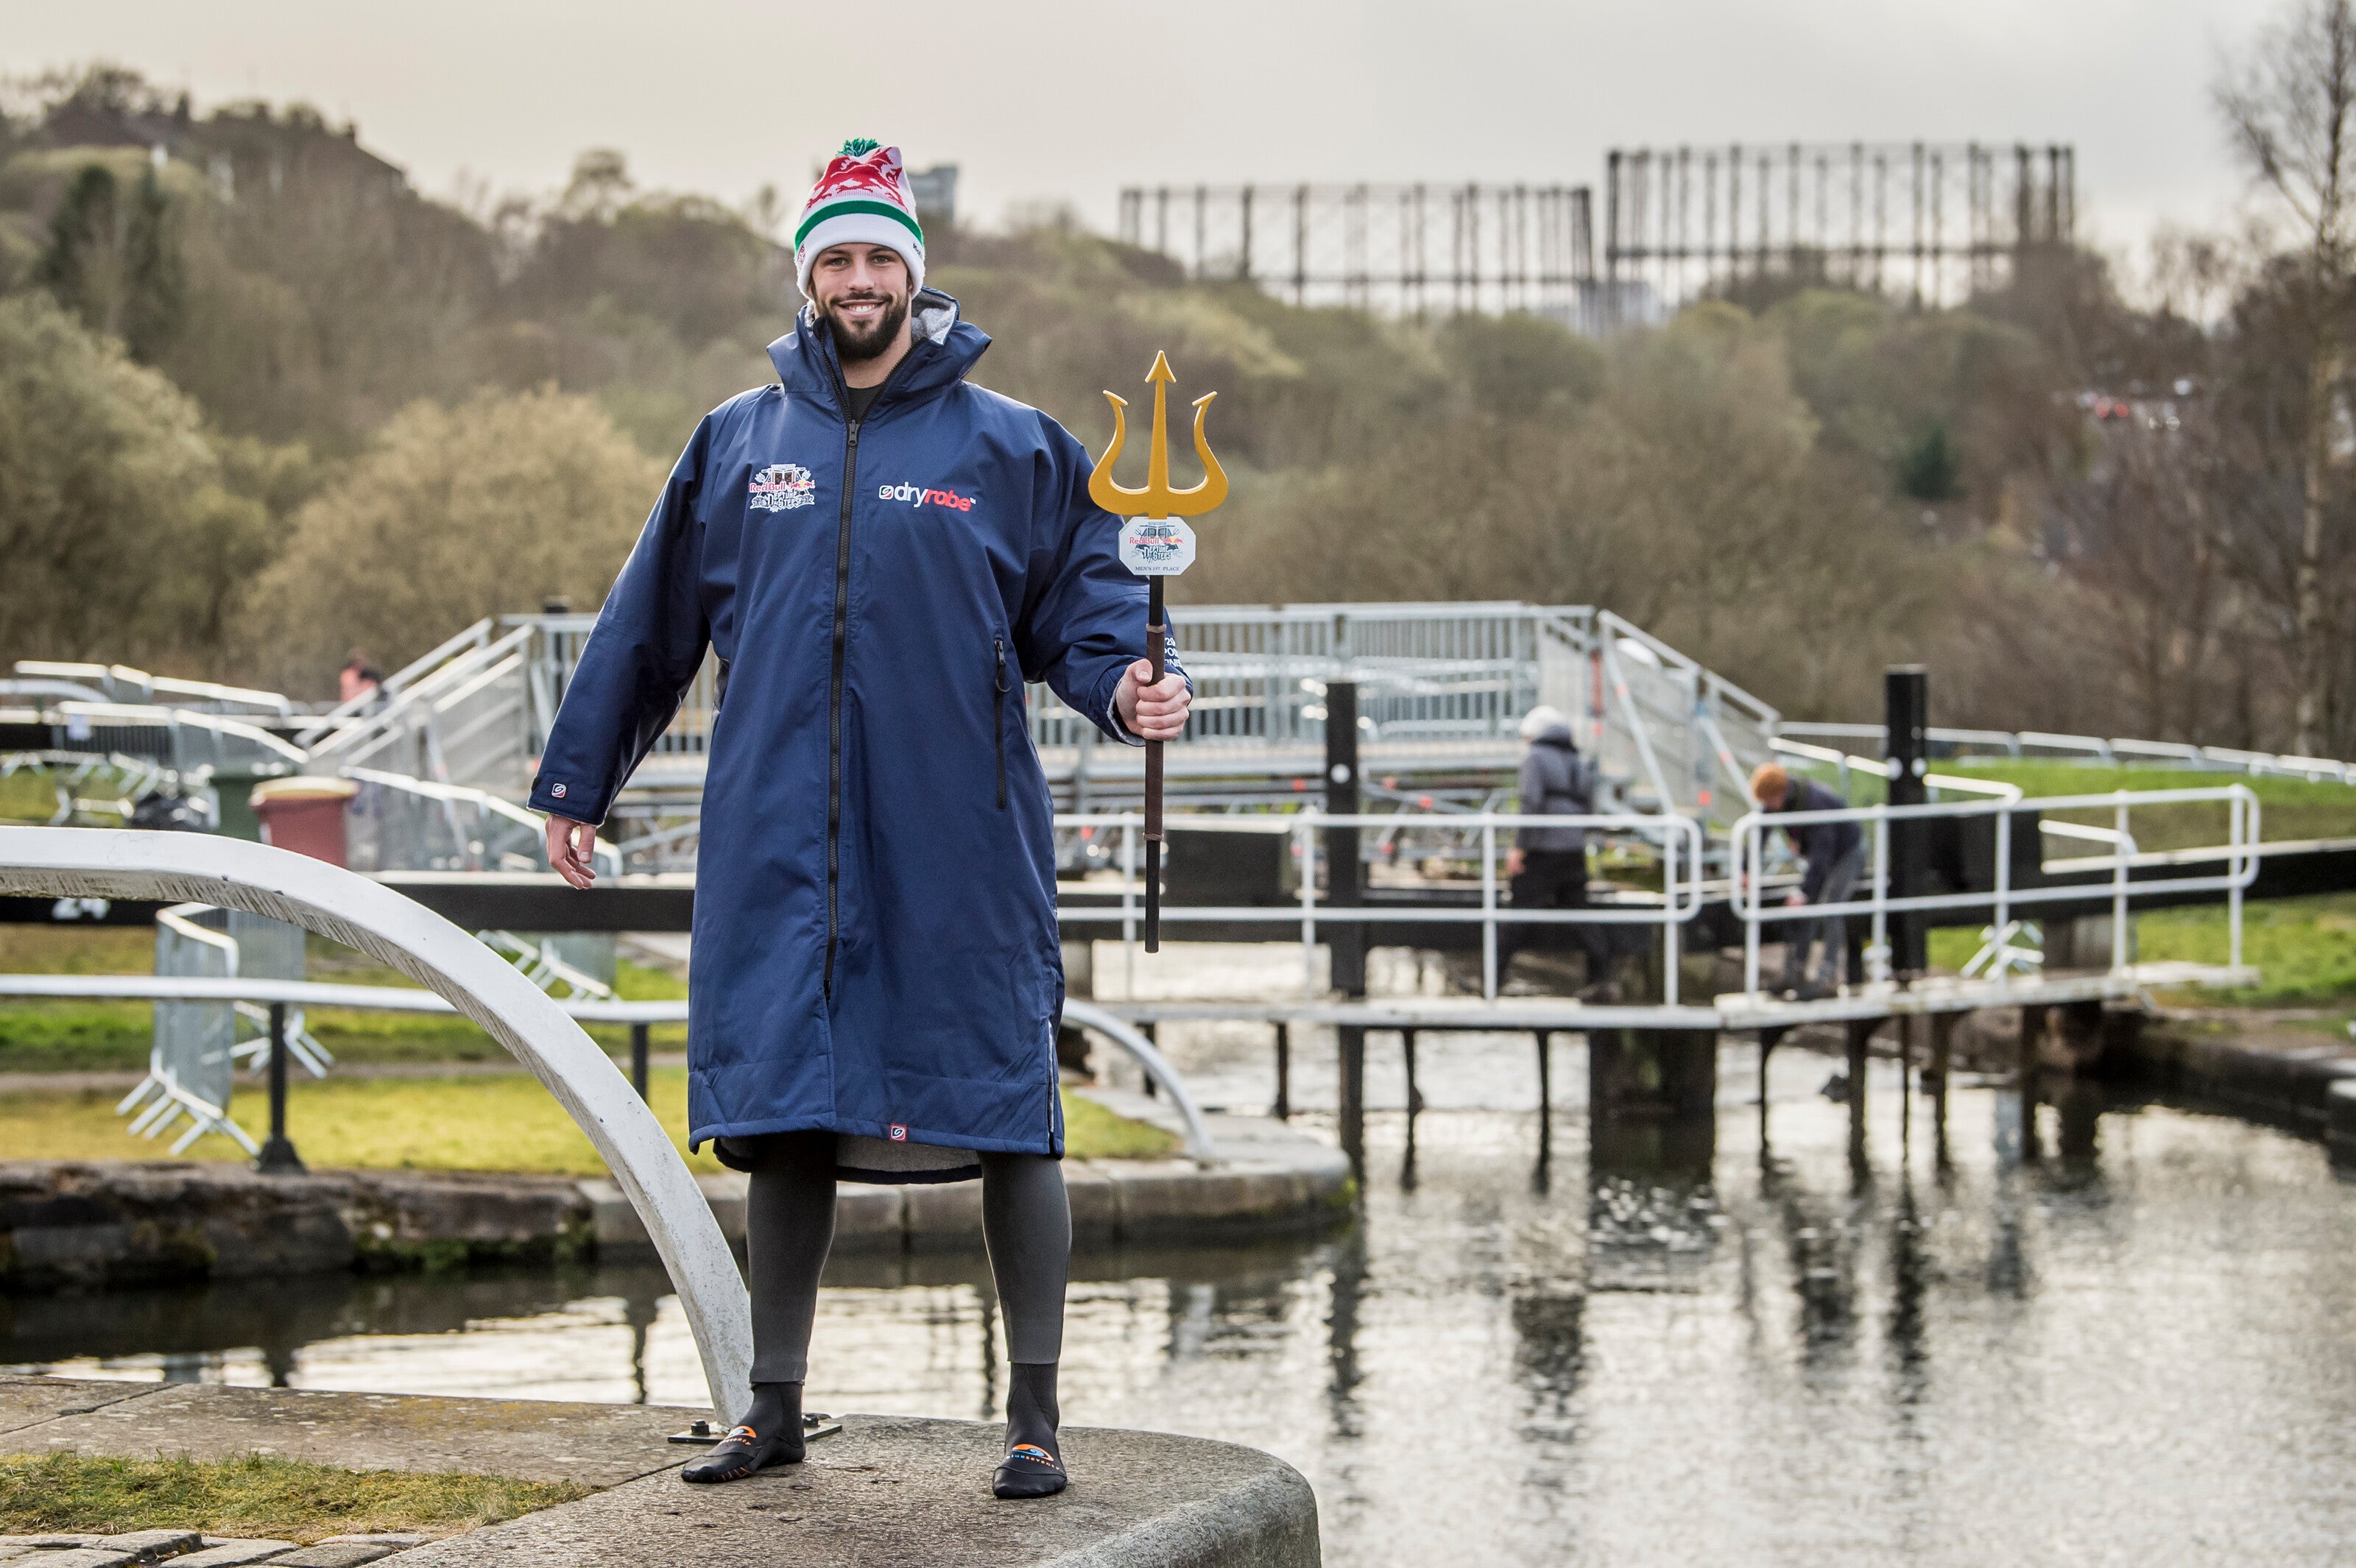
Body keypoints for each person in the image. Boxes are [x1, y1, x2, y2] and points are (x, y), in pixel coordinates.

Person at [531, 139, 1191, 1500]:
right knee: (784, 1111)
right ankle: (771, 1409)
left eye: (881, 256)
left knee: (1010, 1108)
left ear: (915, 276)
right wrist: (576, 781)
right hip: (778, 835)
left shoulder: (1014, 445)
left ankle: (1035, 1422)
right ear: (808, 279)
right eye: (835, 257)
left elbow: (1088, 612)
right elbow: (644, 629)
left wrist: (1128, 687)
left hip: (959, 835)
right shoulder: (736, 440)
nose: (859, 279)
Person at [1500, 705, 1615, 1000]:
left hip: (1542, 849)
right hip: (1573, 850)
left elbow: (1530, 802)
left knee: (1518, 913)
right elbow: (1589, 806)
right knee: (1581, 913)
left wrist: (1519, 848)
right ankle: (1601, 980)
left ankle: (1493, 980)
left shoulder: (1535, 758)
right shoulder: (1578, 759)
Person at [1748, 763, 1865, 999]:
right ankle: (1794, 974)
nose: (1767, 808)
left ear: (1778, 795)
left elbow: (1823, 853)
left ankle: (1828, 978)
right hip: (1822, 855)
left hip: (1847, 853)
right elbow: (1760, 832)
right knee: (1805, 909)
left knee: (1831, 907)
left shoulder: (1814, 804)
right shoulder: (1780, 800)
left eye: (1769, 802)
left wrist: (1804, 891)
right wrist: (1746, 869)